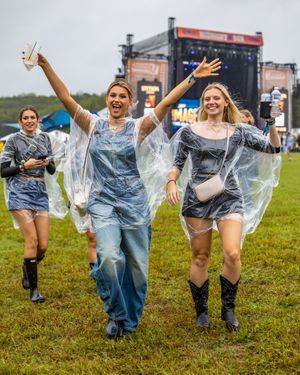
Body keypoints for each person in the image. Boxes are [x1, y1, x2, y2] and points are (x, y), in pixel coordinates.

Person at [35, 52, 221, 339]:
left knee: (137, 269)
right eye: (112, 95)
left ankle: (129, 322)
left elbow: (168, 101)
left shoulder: (139, 127)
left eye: (122, 95)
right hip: (103, 202)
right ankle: (116, 314)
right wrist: (47, 66)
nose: (117, 99)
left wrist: (193, 78)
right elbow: (65, 97)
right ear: (107, 99)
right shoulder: (92, 125)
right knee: (108, 258)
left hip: (134, 204)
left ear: (130, 102)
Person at [166, 83, 281, 331]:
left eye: (216, 98)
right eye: (207, 99)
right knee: (201, 256)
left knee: (232, 253)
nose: (211, 102)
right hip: (197, 199)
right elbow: (177, 162)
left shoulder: (238, 131)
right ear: (203, 104)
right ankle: (201, 311)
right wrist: (172, 182)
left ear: (225, 102)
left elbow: (272, 148)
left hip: (229, 196)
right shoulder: (189, 132)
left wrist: (271, 123)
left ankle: (228, 309)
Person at [0, 105, 56, 303]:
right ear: (20, 121)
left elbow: (51, 170)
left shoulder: (45, 139)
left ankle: (27, 266)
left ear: (38, 120)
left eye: (33, 117)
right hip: (19, 193)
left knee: (43, 245)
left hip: (40, 193)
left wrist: (47, 162)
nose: (30, 120)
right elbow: (3, 171)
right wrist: (25, 165)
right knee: (31, 240)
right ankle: (34, 290)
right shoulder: (13, 140)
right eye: (26, 118)